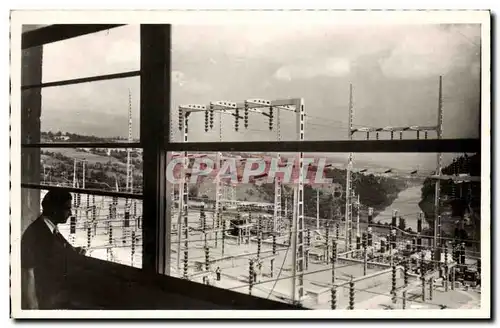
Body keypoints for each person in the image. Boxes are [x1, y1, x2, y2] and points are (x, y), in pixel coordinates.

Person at [21, 190, 85, 309]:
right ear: (55, 210)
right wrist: (33, 310)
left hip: (55, 295)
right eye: (67, 209)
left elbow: (62, 247)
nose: (70, 213)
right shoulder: (37, 234)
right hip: (46, 300)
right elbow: (28, 274)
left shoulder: (49, 228)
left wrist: (74, 250)